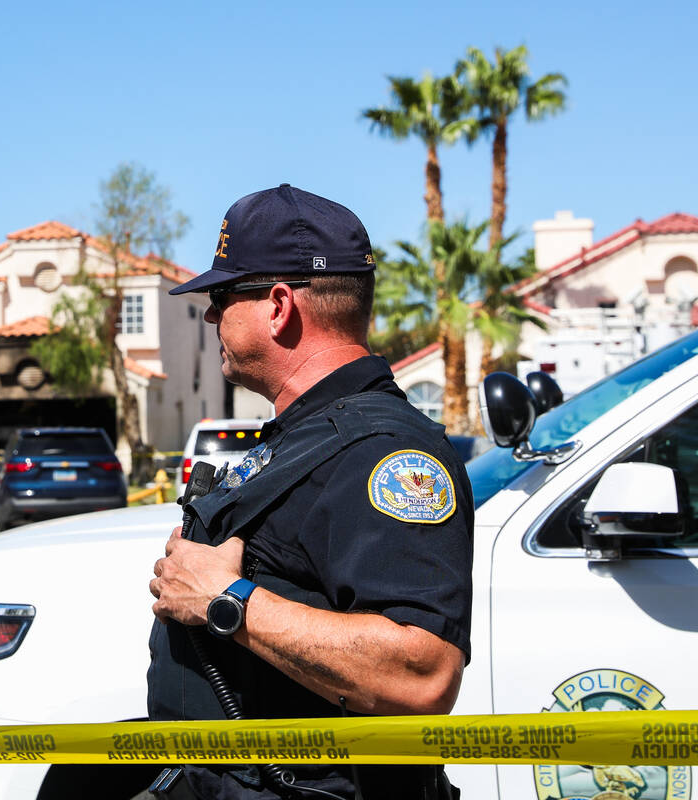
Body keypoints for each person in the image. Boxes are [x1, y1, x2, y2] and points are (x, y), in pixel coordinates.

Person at [146, 184, 474, 800]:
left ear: (277, 306)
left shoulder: (383, 454)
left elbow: (423, 674)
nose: (212, 316)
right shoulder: (308, 435)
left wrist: (224, 600)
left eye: (221, 296)